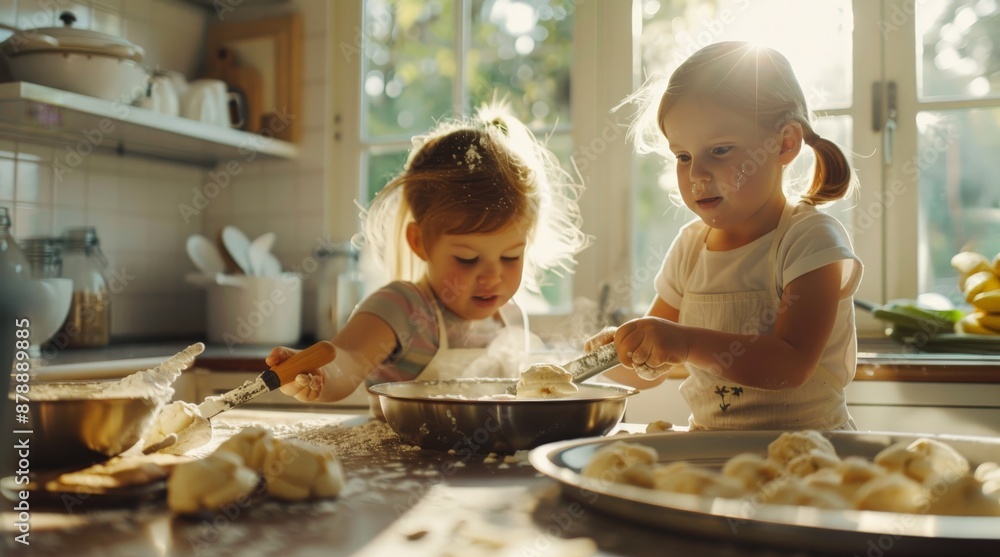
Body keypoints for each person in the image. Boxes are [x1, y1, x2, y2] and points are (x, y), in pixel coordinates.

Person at [591, 42, 863, 431]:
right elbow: (651, 367)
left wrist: (683, 342)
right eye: (683, 156)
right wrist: (624, 351)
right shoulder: (690, 247)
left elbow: (790, 365)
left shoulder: (809, 239)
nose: (696, 173)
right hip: (713, 458)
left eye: (719, 150)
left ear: (785, 142)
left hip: (808, 460)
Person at [267, 103, 588, 415]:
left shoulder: (509, 319)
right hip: (398, 467)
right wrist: (319, 374)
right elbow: (348, 359)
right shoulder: (402, 309)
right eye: (466, 259)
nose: (492, 277)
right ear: (420, 243)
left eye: (510, 256)